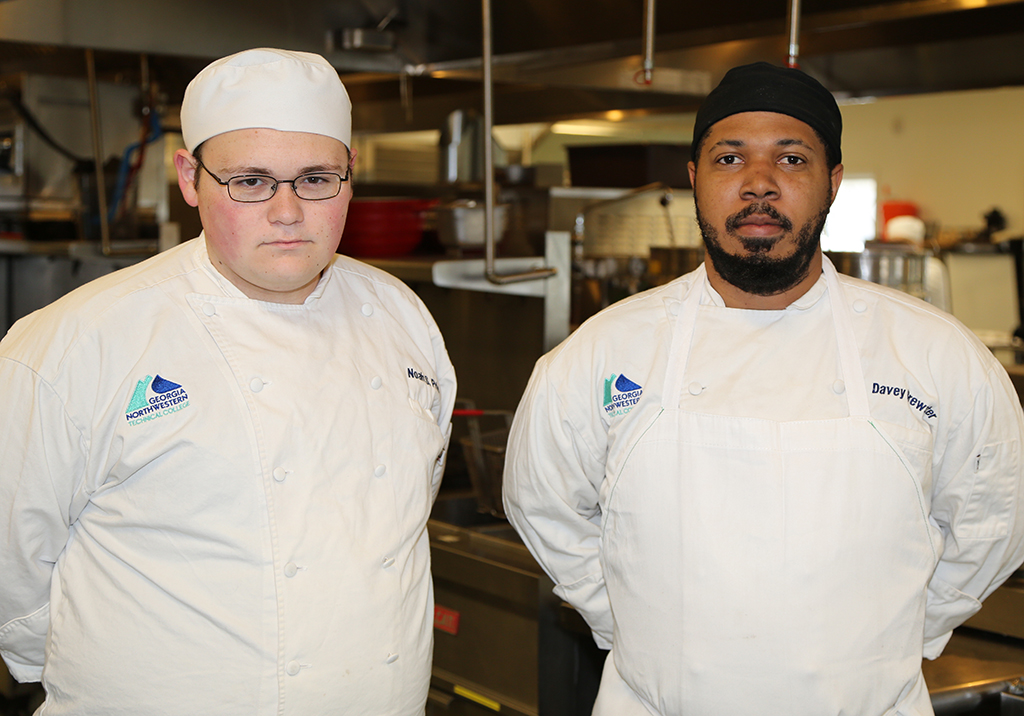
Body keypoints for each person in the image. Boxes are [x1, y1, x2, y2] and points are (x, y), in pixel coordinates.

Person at [502, 61, 1024, 715]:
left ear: (831, 182)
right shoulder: (600, 355)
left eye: (792, 159)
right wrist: (636, 626)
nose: (758, 184)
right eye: (728, 158)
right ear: (694, 179)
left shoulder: (937, 356)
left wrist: (890, 637)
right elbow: (543, 506)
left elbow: (996, 518)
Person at [0, 48, 456, 715]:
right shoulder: (77, 341)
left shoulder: (400, 316)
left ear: (350, 176)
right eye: (250, 181)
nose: (288, 211)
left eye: (317, 179)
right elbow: (12, 565)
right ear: (190, 178)